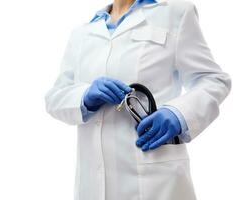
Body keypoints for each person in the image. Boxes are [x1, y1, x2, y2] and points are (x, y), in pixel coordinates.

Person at [44, 0, 231, 199]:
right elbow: (55, 97)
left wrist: (178, 113)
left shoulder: (176, 13)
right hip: (92, 184)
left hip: (156, 182)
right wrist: (84, 96)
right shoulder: (82, 33)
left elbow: (213, 79)